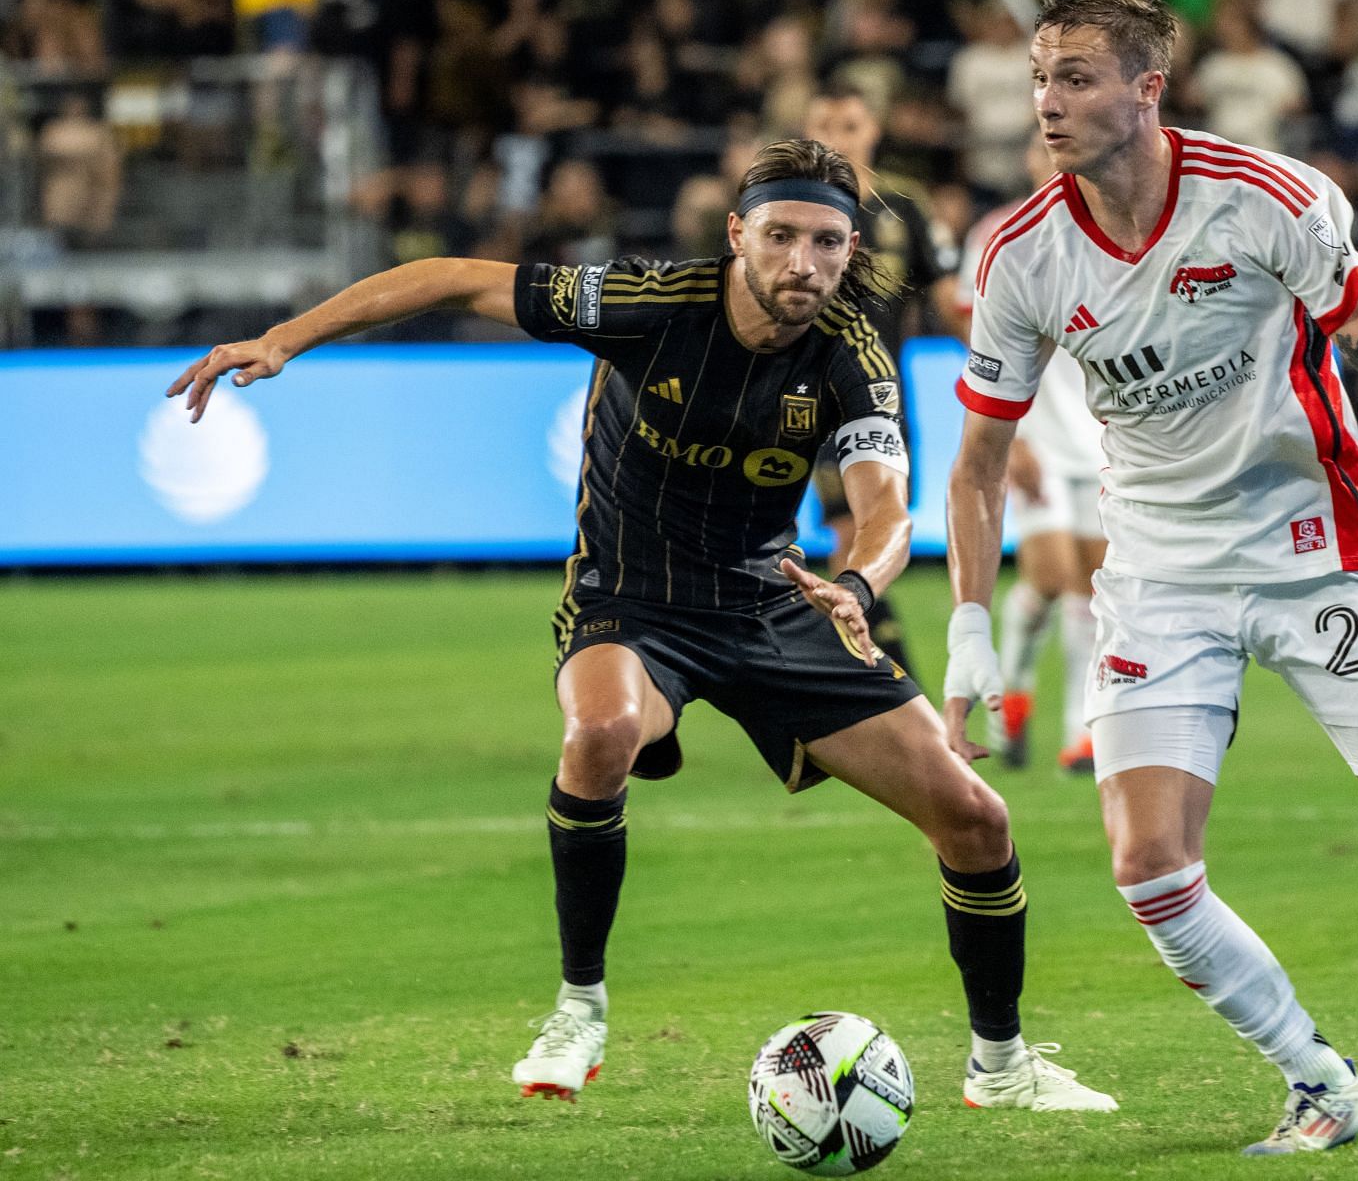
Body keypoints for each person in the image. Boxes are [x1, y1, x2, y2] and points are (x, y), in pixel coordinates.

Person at [165, 138, 1115, 1115]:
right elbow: (449, 276)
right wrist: (285, 338)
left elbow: (884, 510)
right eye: (782, 235)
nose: (805, 262)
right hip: (633, 597)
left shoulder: (852, 354)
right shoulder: (648, 301)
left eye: (828, 242)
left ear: (848, 249)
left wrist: (860, 587)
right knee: (603, 730)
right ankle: (579, 1006)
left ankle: (1001, 1065)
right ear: (739, 233)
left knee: (977, 816)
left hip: (771, 602)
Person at [944, 0, 1358, 1156]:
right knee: (1147, 864)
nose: (1047, 101)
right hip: (1158, 578)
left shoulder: (1268, 200)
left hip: (1319, 564)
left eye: (1075, 76)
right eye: (1041, 77)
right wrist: (973, 632)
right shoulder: (1024, 256)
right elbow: (979, 463)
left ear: (1150, 87)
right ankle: (1318, 1078)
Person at [954, 135, 1108, 774]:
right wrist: (1008, 438)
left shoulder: (1113, 228)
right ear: (1028, 160)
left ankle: (1080, 728)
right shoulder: (1000, 233)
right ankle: (1014, 693)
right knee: (1050, 578)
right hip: (1036, 433)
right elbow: (973, 327)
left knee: (1094, 587)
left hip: (1101, 434)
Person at [802, 83, 962, 678]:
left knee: (872, 535)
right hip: (808, 398)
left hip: (886, 400)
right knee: (852, 539)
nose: (838, 137)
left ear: (872, 132)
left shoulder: (905, 205)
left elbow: (948, 302)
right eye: (825, 124)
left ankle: (859, 673)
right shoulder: (791, 210)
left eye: (850, 124)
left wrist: (995, 380)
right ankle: (891, 680)